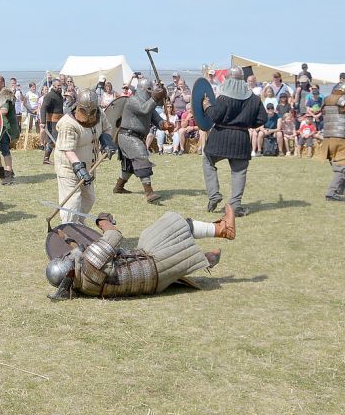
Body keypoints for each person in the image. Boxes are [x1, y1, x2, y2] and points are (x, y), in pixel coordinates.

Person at [45, 207, 236, 301]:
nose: (66, 255)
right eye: (64, 258)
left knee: (175, 254)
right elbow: (114, 235)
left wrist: (69, 240)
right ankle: (222, 230)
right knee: (172, 224)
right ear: (70, 270)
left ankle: (207, 259)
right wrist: (103, 221)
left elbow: (79, 252)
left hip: (153, 284)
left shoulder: (84, 285)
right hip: (152, 261)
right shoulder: (91, 262)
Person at [200, 66, 267, 216]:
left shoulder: (223, 98)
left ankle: (214, 194)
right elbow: (262, 118)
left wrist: (206, 106)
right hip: (241, 138)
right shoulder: (254, 99)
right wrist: (247, 122)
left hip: (220, 136)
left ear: (228, 79)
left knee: (208, 161)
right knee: (239, 172)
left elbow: (215, 116)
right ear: (242, 80)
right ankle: (235, 205)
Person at [53, 89, 105, 225]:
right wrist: (79, 168)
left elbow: (106, 129)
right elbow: (67, 149)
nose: (89, 114)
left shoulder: (99, 115)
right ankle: (68, 228)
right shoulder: (68, 123)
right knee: (72, 203)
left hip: (88, 166)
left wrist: (107, 142)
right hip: (69, 167)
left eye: (92, 110)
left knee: (89, 198)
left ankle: (79, 225)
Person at [114, 80, 170, 204]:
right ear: (144, 89)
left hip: (135, 137)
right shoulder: (133, 100)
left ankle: (119, 187)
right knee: (142, 158)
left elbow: (157, 120)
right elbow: (144, 109)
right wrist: (155, 98)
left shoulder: (150, 104)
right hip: (128, 135)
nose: (152, 92)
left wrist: (165, 125)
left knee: (128, 166)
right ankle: (149, 192)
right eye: (150, 90)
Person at [0, 75, 19, 185]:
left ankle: (9, 173)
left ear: (2, 83)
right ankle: (0, 171)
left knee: (5, 149)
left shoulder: (6, 94)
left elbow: (4, 110)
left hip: (6, 127)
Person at [40, 79, 65, 165]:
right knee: (54, 141)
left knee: (53, 140)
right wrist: (43, 122)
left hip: (59, 121)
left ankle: (46, 158)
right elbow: (43, 108)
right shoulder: (49, 96)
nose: (60, 87)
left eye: (60, 86)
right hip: (52, 121)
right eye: (58, 86)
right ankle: (48, 159)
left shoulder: (59, 95)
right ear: (54, 86)